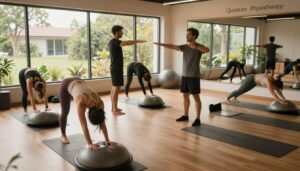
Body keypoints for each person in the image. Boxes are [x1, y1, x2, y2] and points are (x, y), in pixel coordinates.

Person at [154, 28, 209, 126]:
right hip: (185, 76)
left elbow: (207, 50)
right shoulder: (185, 47)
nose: (186, 36)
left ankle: (197, 118)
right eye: (186, 34)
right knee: (185, 96)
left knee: (196, 97)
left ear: (194, 36)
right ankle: (185, 115)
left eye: (188, 35)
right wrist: (161, 44)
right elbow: (172, 46)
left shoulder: (198, 48)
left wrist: (195, 46)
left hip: (193, 76)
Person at [59, 77, 116, 150]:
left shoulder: (100, 103)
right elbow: (84, 125)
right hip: (66, 84)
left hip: (79, 80)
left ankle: (63, 135)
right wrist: (90, 144)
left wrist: (107, 140)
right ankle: (63, 135)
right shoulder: (81, 104)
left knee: (100, 117)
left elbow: (102, 122)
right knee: (65, 112)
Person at [109, 25, 146, 115]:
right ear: (117, 32)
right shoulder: (115, 42)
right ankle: (114, 110)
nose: (122, 33)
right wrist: (137, 41)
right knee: (116, 89)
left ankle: (114, 108)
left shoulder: (111, 42)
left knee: (114, 88)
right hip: (116, 68)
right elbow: (125, 43)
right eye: (121, 31)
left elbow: (123, 43)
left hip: (115, 68)